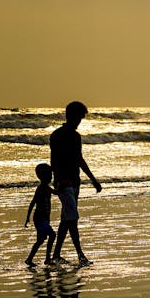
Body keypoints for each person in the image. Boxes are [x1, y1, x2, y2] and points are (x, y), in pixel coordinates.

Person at [50, 101, 102, 265]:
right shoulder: (57, 135)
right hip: (64, 183)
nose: (79, 122)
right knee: (71, 219)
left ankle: (56, 254)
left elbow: (79, 159)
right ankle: (80, 255)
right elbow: (54, 161)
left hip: (75, 181)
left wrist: (93, 180)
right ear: (70, 116)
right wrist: (59, 181)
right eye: (78, 118)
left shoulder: (76, 136)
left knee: (67, 219)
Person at [24, 163, 57, 267]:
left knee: (40, 240)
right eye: (50, 175)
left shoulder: (45, 187)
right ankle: (47, 258)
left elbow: (56, 192)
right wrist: (27, 218)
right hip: (40, 218)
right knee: (52, 235)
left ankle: (29, 259)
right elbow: (32, 203)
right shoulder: (42, 188)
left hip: (43, 218)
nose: (51, 177)